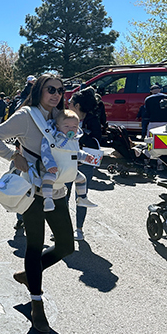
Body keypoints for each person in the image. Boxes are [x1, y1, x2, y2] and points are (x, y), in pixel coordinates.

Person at [0, 74, 75, 334]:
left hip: (57, 190)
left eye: (60, 90)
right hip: (33, 190)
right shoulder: (26, 116)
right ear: (39, 91)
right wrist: (13, 156)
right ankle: (37, 304)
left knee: (66, 246)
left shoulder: (60, 115)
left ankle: (28, 274)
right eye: (50, 89)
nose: (56, 94)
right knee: (35, 245)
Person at [40, 110, 97, 212]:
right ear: (58, 127)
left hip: (71, 171)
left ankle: (82, 198)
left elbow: (75, 153)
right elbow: (45, 152)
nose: (71, 129)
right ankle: (48, 199)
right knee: (47, 180)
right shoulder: (54, 138)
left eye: (74, 127)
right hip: (56, 170)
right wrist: (49, 165)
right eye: (66, 126)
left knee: (82, 179)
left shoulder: (74, 140)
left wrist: (85, 157)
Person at [67, 86, 102, 241]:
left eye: (70, 102)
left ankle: (79, 229)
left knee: (81, 196)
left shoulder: (92, 120)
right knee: (63, 195)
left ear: (77, 105)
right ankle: (62, 228)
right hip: (67, 163)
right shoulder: (65, 118)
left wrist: (79, 135)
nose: (67, 105)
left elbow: (96, 142)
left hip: (84, 164)